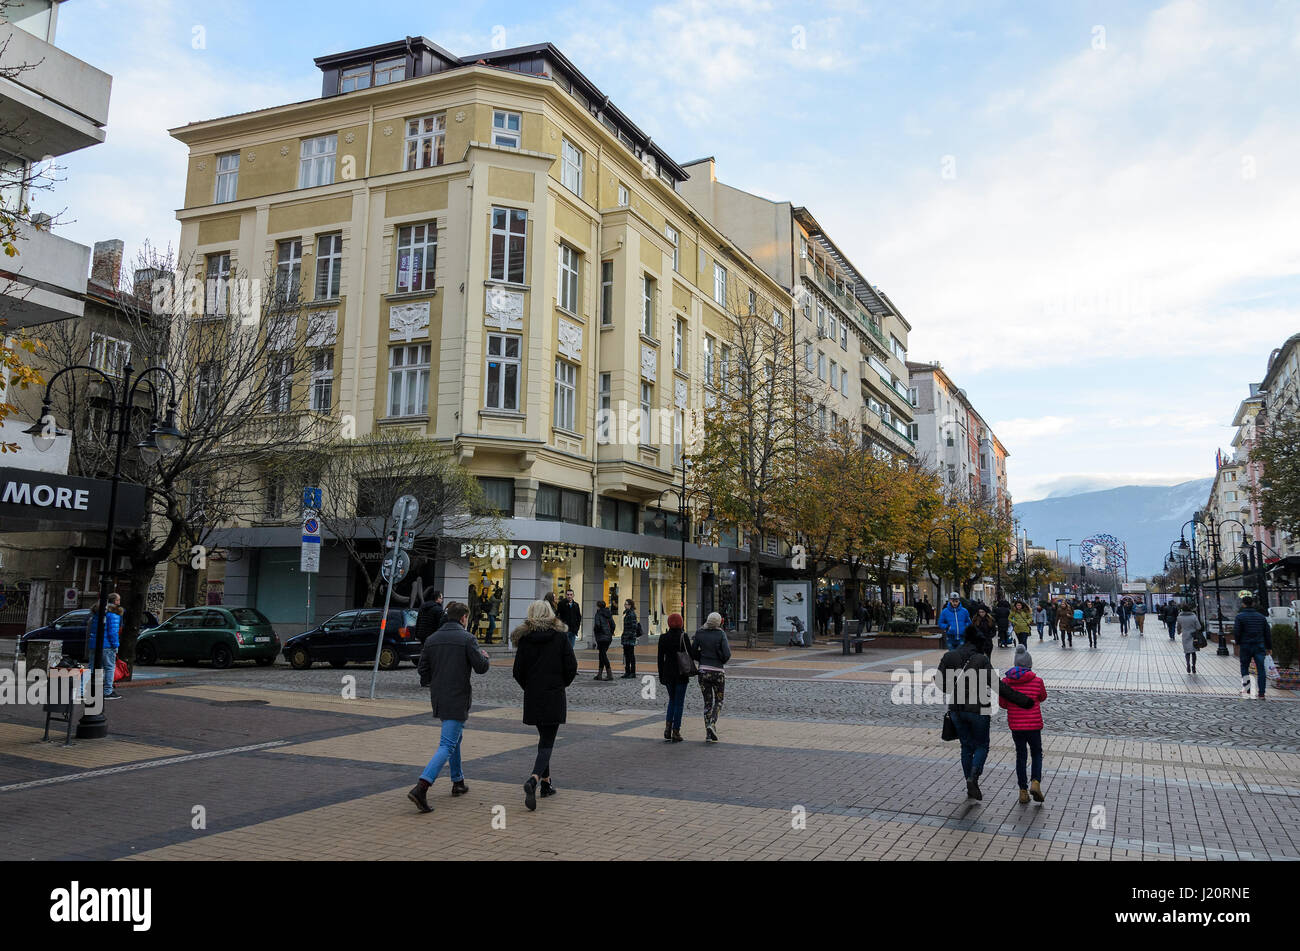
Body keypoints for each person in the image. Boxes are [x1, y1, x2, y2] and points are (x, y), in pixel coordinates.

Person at [408, 602, 489, 813]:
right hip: (457, 697)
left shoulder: (432, 639)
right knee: (447, 744)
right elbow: (480, 667)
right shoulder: (467, 639)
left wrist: (433, 682)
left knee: (455, 739)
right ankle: (422, 787)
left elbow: (422, 669)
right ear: (463, 618)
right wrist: (485, 658)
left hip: (439, 697)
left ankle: (458, 781)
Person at [937, 632, 1035, 800]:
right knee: (982, 745)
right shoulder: (981, 660)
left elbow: (941, 685)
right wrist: (1024, 701)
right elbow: (999, 687)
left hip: (956, 709)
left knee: (966, 747)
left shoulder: (948, 657)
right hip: (979, 709)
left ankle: (969, 781)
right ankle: (973, 777)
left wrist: (954, 687)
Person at [510, 599, 577, 811]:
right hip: (554, 695)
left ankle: (546, 785)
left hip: (534, 695)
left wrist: (529, 686)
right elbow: (571, 666)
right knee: (547, 741)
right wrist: (561, 683)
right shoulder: (560, 637)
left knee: (544, 739)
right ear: (550, 614)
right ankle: (534, 779)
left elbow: (517, 671)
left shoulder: (525, 639)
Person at [999, 646, 1047, 804]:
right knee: (1036, 753)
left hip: (1016, 726)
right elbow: (1042, 696)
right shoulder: (1037, 680)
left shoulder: (1006, 682)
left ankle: (1023, 792)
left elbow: (1003, 704)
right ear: (1029, 664)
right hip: (1034, 726)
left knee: (1021, 755)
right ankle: (1035, 782)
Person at [691, 612, 731, 742]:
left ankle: (708, 734)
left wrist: (701, 658)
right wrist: (721, 660)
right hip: (718, 671)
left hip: (703, 671)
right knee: (719, 700)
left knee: (707, 703)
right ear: (719, 622)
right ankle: (712, 724)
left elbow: (692, 651)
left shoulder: (700, 633)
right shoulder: (721, 634)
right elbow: (727, 654)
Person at [656, 613, 693, 742]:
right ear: (681, 623)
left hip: (668, 673)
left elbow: (660, 659)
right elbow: (691, 654)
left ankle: (667, 728)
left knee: (672, 700)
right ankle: (676, 731)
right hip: (681, 673)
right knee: (679, 703)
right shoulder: (683, 636)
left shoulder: (663, 637)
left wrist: (661, 675)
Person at [83, 594, 123, 700]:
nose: (119, 602)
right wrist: (116, 646)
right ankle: (107, 691)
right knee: (109, 668)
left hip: (94, 645)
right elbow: (113, 632)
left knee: (93, 667)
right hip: (107, 646)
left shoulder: (97, 613)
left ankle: (87, 690)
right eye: (118, 600)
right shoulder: (113, 614)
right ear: (114, 601)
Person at [1234, 595, 1273, 699]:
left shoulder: (1239, 617)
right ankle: (1261, 693)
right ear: (1253, 604)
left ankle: (1248, 690)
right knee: (1261, 669)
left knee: (1244, 668)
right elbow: (1267, 633)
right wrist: (1269, 647)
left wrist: (1238, 642)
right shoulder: (1261, 617)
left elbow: (1237, 632)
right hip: (1259, 645)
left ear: (1243, 604)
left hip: (1245, 645)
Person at [592, 599, 614, 680]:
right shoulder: (609, 613)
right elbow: (613, 625)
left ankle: (609, 674)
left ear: (598, 606)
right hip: (608, 637)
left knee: (603, 655)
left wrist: (597, 632)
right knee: (602, 654)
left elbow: (597, 625)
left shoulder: (598, 614)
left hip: (601, 637)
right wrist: (610, 633)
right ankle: (599, 674)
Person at [1177, 602, 1202, 674]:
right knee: (1193, 652)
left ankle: (1188, 664)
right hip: (1193, 636)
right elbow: (1199, 627)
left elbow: (1178, 626)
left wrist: (1179, 632)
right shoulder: (1193, 616)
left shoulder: (1180, 617)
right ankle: (1193, 666)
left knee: (1187, 652)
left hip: (1185, 635)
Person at [620, 599, 640, 678]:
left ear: (630, 605)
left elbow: (633, 627)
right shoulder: (627, 613)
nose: (625, 605)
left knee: (631, 655)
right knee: (626, 655)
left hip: (630, 638)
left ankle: (633, 672)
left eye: (626, 604)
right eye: (625, 604)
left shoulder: (631, 614)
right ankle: (627, 671)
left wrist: (629, 636)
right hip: (626, 637)